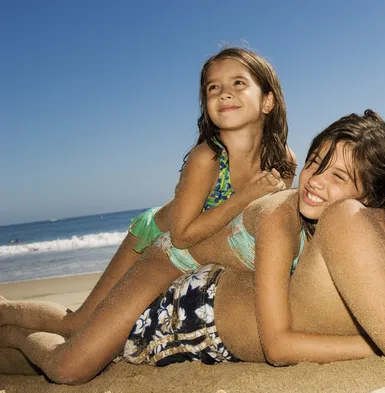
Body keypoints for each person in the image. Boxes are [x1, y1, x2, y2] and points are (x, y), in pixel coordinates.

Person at [3, 111, 385, 383]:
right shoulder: (348, 224)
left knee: (61, 353)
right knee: (69, 359)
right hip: (188, 311)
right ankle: (10, 314)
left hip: (220, 354)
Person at [0, 109, 385, 377]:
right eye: (316, 163)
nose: (315, 181)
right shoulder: (284, 220)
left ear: (368, 196)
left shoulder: (340, 225)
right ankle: (14, 331)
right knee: (73, 363)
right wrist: (376, 344)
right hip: (168, 261)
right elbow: (277, 346)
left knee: (82, 326)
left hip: (204, 272)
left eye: (339, 177)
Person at [0, 47, 296, 337]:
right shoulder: (207, 159)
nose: (223, 93)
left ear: (267, 101)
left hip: (199, 254)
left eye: (238, 83)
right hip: (156, 237)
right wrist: (243, 198)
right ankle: (5, 312)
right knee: (79, 324)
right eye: (212, 88)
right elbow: (181, 235)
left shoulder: (282, 160)